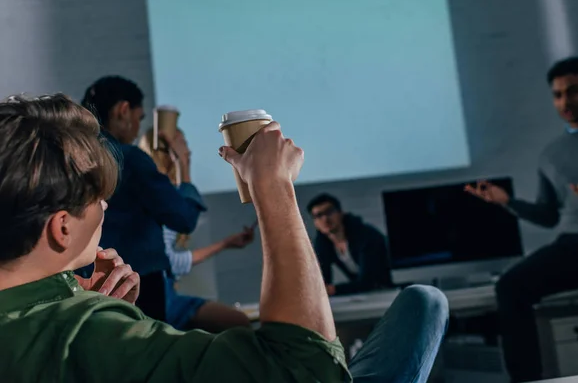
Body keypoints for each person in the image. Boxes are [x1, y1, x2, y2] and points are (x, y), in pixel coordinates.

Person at [0, 94, 448, 382]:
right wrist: (274, 190)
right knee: (426, 302)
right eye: (99, 201)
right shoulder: (86, 333)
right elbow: (307, 372)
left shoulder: (76, 325)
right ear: (62, 228)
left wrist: (95, 310)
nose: (106, 209)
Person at [465, 56, 578, 382]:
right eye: (558, 95)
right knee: (510, 287)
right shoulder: (551, 154)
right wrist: (508, 202)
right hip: (573, 247)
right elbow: (549, 216)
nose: (565, 102)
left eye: (574, 91)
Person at [80, 76, 205, 322]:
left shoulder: (76, 154)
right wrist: (183, 165)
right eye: (139, 118)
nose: (138, 127)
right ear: (123, 110)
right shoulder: (130, 159)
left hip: (88, 278)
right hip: (137, 281)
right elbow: (183, 218)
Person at [138, 126, 252, 331]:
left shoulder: (162, 193)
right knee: (238, 323)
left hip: (164, 294)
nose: (188, 151)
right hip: (162, 297)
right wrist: (184, 165)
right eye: (181, 144)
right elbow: (171, 261)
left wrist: (227, 243)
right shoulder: (160, 197)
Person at [308, 193, 393, 295]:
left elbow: (368, 281)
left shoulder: (366, 235)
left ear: (340, 213)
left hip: (384, 290)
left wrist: (334, 289)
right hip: (362, 294)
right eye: (319, 215)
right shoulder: (322, 242)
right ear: (315, 223)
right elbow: (323, 280)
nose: (325, 219)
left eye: (329, 212)